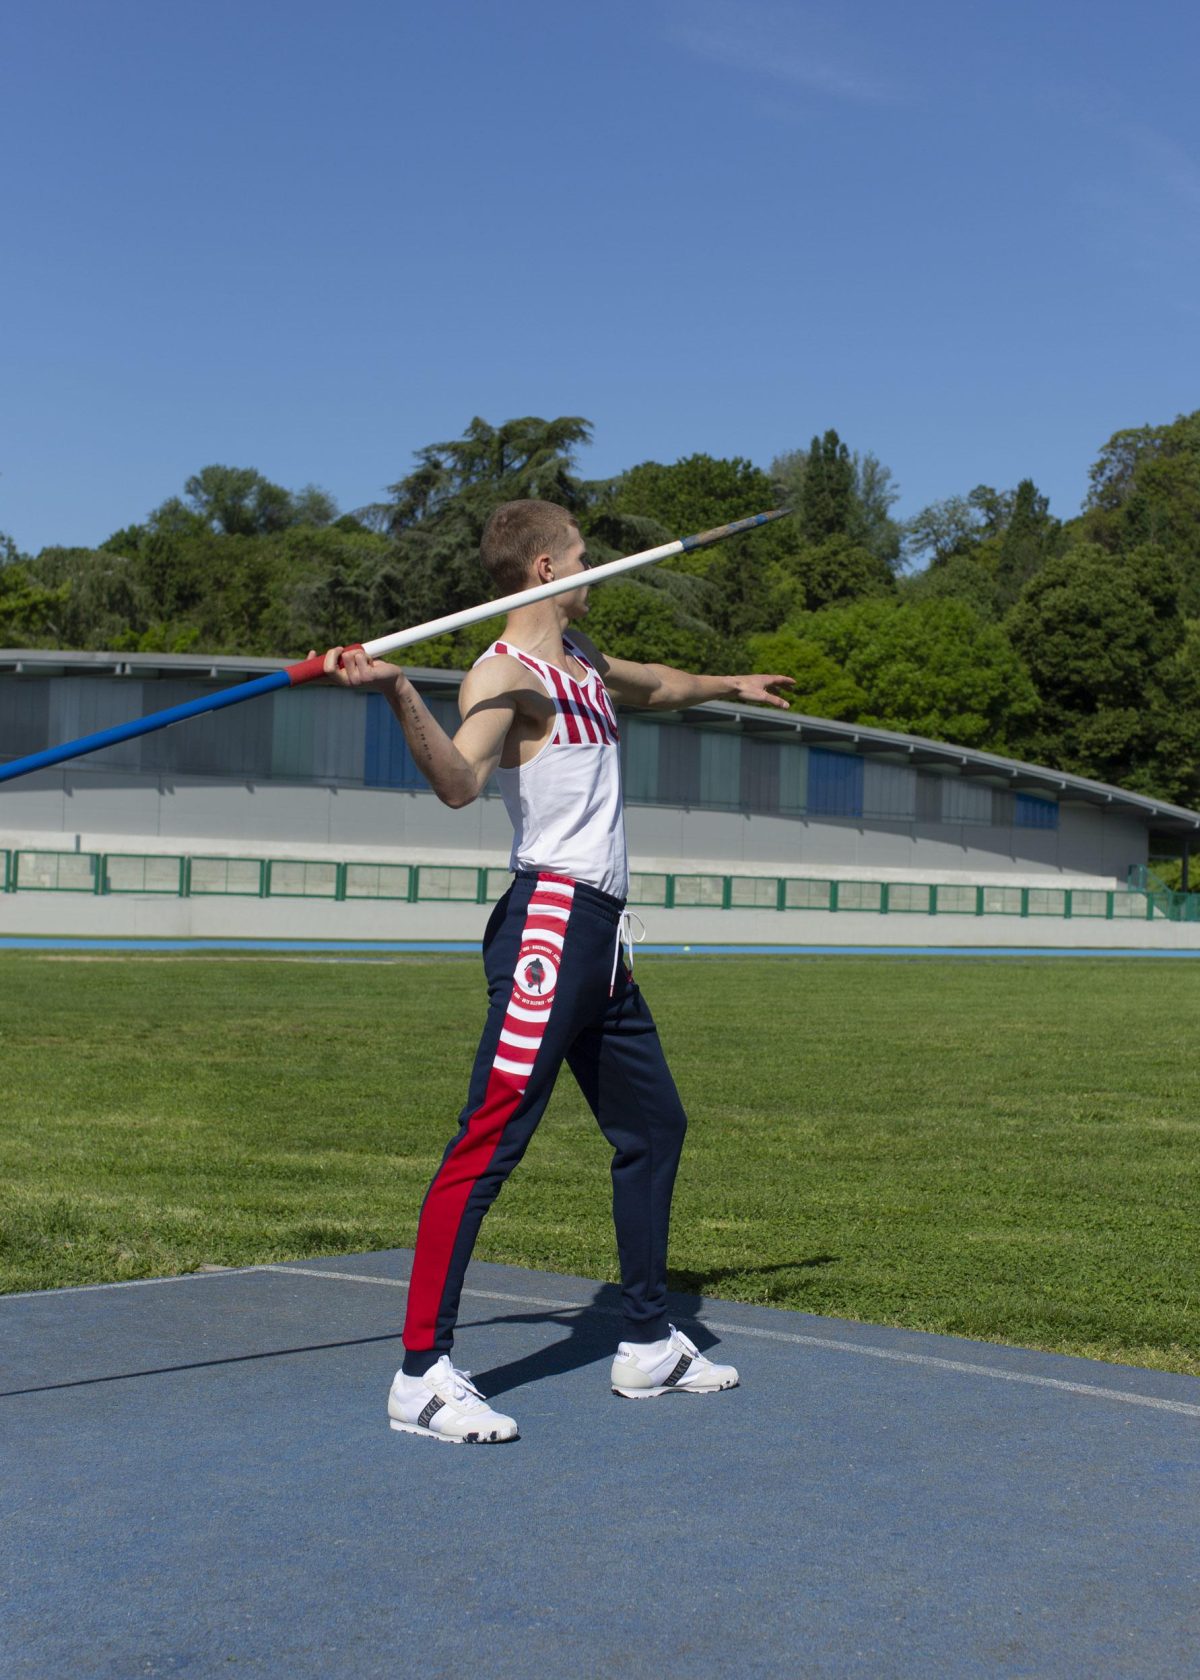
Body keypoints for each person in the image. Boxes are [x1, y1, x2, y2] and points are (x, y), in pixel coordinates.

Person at [321, 499, 794, 1443]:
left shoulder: (584, 663)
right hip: (549, 925)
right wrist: (395, 689)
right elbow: (459, 784)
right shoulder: (506, 672)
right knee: (489, 1140)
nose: (598, 567)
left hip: (604, 938)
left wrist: (730, 680)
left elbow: (656, 685)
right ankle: (421, 1373)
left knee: (654, 1126)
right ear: (546, 569)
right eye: (585, 556)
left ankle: (650, 1339)